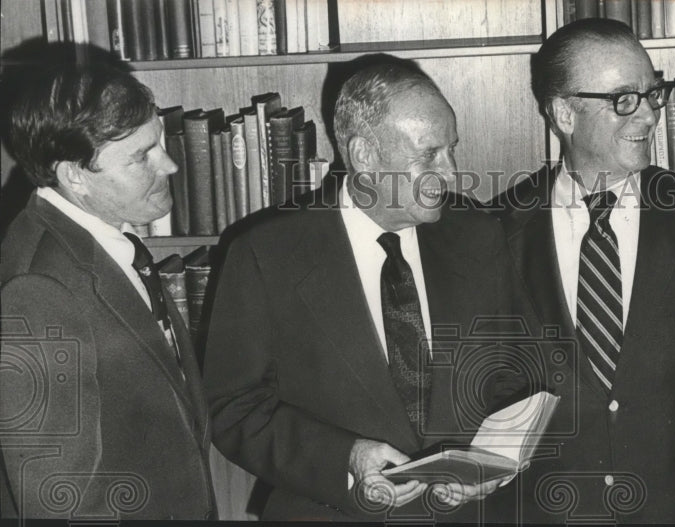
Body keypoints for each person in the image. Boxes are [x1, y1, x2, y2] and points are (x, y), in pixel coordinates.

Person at [491, 18, 675, 523]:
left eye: (653, 94)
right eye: (624, 99)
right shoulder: (496, 229)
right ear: (564, 112)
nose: (649, 115)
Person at [202, 61, 518, 521]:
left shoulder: (478, 235)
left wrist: (489, 461)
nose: (450, 174)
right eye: (428, 155)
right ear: (364, 156)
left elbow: (514, 370)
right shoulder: (267, 253)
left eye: (451, 150)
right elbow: (233, 408)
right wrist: (345, 457)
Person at [0, 63, 215, 519]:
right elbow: (59, 503)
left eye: (159, 141)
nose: (170, 164)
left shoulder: (106, 240)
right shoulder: (36, 292)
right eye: (142, 156)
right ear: (75, 176)